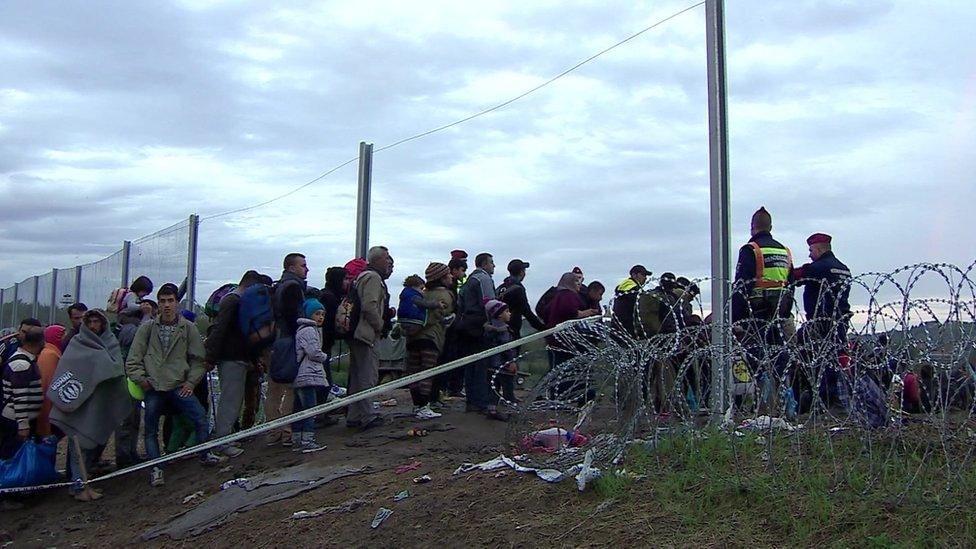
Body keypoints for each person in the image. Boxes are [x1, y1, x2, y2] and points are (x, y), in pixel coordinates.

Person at [126, 283, 224, 488]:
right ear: (157, 305)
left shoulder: (188, 328)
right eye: (162, 301)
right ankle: (156, 468)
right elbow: (133, 360)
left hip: (179, 385)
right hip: (153, 387)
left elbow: (199, 359)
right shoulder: (147, 329)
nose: (166, 305)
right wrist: (142, 380)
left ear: (177, 303)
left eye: (170, 301)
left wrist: (190, 382)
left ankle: (205, 454)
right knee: (151, 429)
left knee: (200, 420)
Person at [49, 310, 130, 502]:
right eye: (90, 322)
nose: (94, 326)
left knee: (90, 446)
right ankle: (78, 487)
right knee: (78, 447)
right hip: (79, 406)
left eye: (97, 322)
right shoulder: (77, 343)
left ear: (103, 323)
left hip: (99, 403)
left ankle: (82, 484)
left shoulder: (110, 342)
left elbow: (115, 368)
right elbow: (69, 370)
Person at [206, 270, 264, 458]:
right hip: (231, 357)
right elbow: (219, 329)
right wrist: (210, 357)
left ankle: (225, 436)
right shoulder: (233, 301)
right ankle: (222, 442)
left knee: (234, 400)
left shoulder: (238, 301)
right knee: (230, 400)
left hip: (238, 357)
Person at [346, 246, 393, 430]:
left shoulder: (362, 276)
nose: (389, 262)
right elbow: (369, 306)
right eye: (387, 258)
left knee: (357, 376)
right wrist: (379, 326)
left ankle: (354, 414)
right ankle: (368, 415)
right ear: (378, 260)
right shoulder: (373, 278)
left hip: (357, 332)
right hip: (366, 333)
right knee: (368, 374)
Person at [457, 253, 508, 420]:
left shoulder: (469, 281)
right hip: (481, 327)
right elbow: (490, 304)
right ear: (484, 264)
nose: (494, 266)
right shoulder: (483, 279)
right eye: (492, 262)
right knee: (482, 366)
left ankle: (472, 401)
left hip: (468, 326)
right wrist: (498, 327)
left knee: (471, 366)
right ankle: (482, 402)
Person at [265, 253, 309, 447]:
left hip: (275, 339)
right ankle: (285, 429)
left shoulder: (279, 285)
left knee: (274, 387)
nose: (306, 269)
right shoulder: (293, 287)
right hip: (288, 340)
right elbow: (293, 316)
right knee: (291, 386)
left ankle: (272, 429)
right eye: (303, 265)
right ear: (292, 268)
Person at [405, 262, 455, 420]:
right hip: (431, 338)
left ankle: (416, 405)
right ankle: (424, 407)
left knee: (414, 373)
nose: (451, 277)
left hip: (412, 337)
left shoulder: (421, 294)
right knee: (427, 374)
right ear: (441, 277)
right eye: (448, 274)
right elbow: (445, 315)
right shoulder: (445, 295)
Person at [544, 273, 599, 398]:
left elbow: (546, 311)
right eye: (575, 281)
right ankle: (564, 397)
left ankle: (558, 396)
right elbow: (570, 312)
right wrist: (587, 312)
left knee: (559, 369)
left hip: (555, 337)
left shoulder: (558, 295)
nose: (579, 284)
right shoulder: (569, 295)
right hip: (564, 339)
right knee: (566, 370)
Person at [794, 233, 852, 343]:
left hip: (821, 325)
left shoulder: (817, 268)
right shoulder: (844, 269)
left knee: (805, 352)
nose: (809, 255)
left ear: (818, 249)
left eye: (811, 251)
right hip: (841, 323)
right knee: (837, 353)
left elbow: (794, 276)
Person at [291, 298, 329, 452]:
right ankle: (307, 439)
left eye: (322, 314)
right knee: (309, 408)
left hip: (303, 374)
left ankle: (297, 438)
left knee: (299, 408)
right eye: (317, 313)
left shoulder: (302, 330)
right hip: (308, 374)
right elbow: (313, 352)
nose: (320, 317)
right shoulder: (309, 330)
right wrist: (324, 357)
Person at [1, 326, 44, 460]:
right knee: (11, 459)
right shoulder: (21, 364)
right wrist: (23, 425)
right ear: (41, 342)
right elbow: (20, 397)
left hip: (17, 419)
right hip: (15, 421)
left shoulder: (25, 360)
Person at [496, 259, 545, 337]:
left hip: (498, 329)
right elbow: (527, 312)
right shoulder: (517, 289)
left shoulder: (500, 288)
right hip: (511, 331)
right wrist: (543, 328)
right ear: (521, 272)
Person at [484, 299, 517, 403]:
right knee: (508, 387)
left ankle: (492, 408)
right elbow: (506, 347)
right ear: (499, 315)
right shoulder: (502, 329)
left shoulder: (489, 328)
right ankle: (511, 407)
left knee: (493, 388)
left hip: (491, 363)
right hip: (504, 364)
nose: (509, 313)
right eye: (506, 311)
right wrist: (511, 362)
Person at [35, 325, 64, 438]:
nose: (64, 339)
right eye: (62, 336)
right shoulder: (50, 355)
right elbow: (46, 384)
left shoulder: (51, 352)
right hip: (48, 408)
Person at [611, 265, 651, 340]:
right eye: (643, 275)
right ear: (634, 275)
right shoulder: (633, 289)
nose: (645, 278)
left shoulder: (624, 286)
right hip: (628, 327)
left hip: (618, 326)